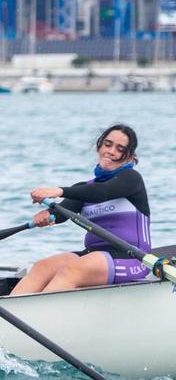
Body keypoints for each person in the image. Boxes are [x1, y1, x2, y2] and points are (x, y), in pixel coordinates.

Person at [12, 124, 149, 294]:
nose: (111, 151)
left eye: (120, 149)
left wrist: (59, 191)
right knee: (42, 267)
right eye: (108, 144)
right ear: (99, 146)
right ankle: (5, 316)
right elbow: (61, 214)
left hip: (133, 258)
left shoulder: (132, 179)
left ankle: (41, 315)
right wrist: (47, 215)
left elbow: (102, 192)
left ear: (129, 156)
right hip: (92, 256)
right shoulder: (84, 188)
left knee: (73, 270)